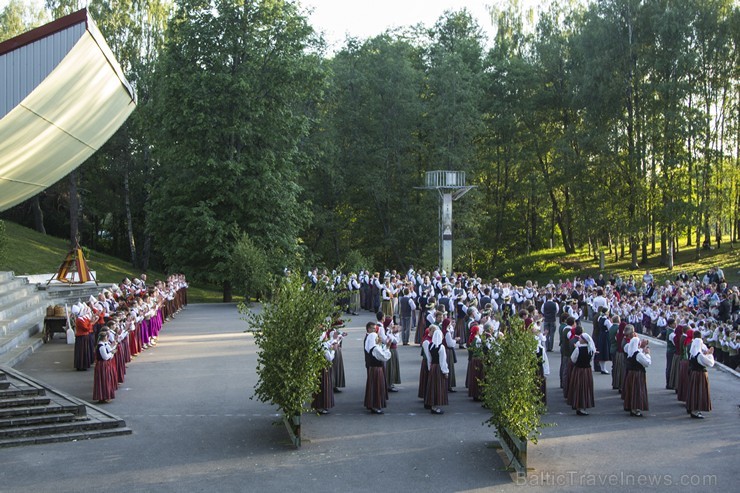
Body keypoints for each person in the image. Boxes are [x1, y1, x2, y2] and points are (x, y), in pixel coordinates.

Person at [686, 332, 715, 419]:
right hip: (700, 374)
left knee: (694, 391)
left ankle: (693, 408)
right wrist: (710, 354)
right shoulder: (699, 356)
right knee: (699, 392)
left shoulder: (692, 354)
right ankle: (695, 411)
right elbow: (710, 363)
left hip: (694, 374)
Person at [364, 322, 391, 414]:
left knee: (374, 387)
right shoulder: (374, 349)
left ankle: (372, 404)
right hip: (376, 369)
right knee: (377, 387)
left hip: (374, 369)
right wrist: (387, 348)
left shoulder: (374, 347)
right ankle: (375, 406)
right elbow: (384, 357)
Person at [622, 336, 651, 417]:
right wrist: (648, 354)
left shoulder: (630, 353)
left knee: (632, 390)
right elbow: (647, 363)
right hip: (638, 374)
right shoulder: (638, 354)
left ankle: (631, 407)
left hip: (631, 374)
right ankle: (636, 409)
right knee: (637, 391)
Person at [568, 332, 595, 416]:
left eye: (580, 338)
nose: (579, 339)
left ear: (584, 340)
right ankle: (583, 406)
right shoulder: (591, 350)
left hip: (578, 370)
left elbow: (573, 359)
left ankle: (577, 405)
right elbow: (590, 360)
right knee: (586, 387)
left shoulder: (577, 349)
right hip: (587, 371)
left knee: (578, 387)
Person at [424, 328, 449, 414]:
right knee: (438, 386)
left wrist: (429, 368)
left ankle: (432, 405)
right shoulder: (441, 347)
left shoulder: (430, 346)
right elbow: (443, 361)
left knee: (432, 386)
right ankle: (435, 407)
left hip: (433, 368)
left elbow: (429, 359)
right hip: (438, 368)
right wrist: (445, 372)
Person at [312, 336, 336, 414]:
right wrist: (333, 351)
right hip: (323, 368)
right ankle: (322, 406)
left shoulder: (318, 344)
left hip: (318, 367)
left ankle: (318, 405)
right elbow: (329, 357)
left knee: (319, 386)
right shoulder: (323, 346)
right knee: (324, 386)